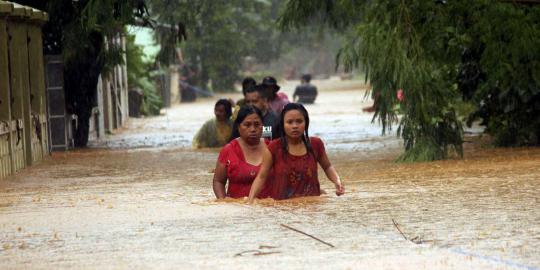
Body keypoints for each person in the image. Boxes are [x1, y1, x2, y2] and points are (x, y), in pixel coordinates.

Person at [248, 103, 344, 202]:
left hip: (313, 207)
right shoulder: (274, 148)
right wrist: (250, 201)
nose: (295, 126)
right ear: (283, 125)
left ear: (306, 122)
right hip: (283, 209)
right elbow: (261, 176)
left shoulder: (315, 144)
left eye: (299, 121)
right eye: (290, 122)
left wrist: (337, 181)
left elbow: (327, 167)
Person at [213, 106, 271, 199]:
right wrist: (223, 202)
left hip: (266, 209)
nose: (253, 129)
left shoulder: (272, 148)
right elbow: (218, 181)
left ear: (263, 126)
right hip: (237, 208)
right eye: (247, 125)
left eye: (257, 124)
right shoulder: (228, 150)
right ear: (239, 127)